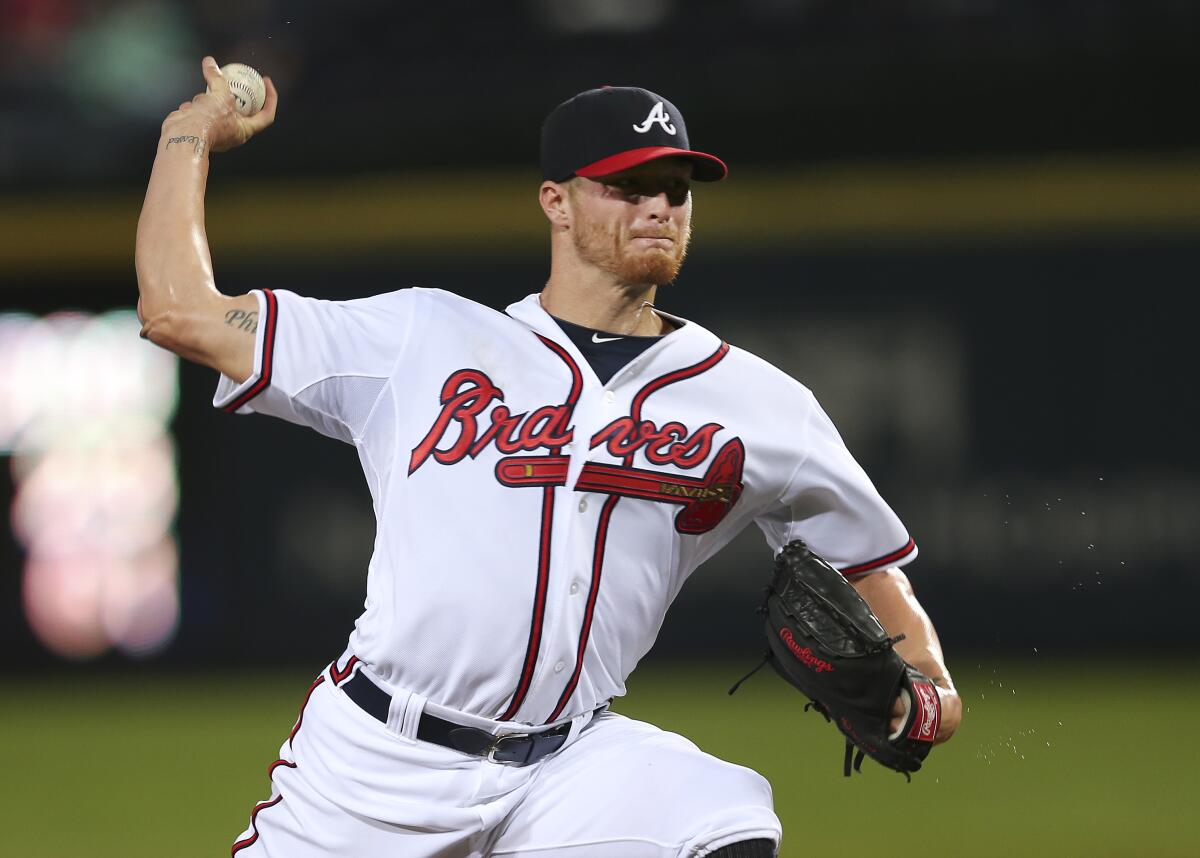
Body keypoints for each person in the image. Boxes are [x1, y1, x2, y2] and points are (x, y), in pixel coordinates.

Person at [136, 57, 962, 858]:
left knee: (720, 820)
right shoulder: (424, 338)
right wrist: (188, 135)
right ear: (556, 202)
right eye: (628, 186)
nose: (659, 208)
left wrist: (925, 699)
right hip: (379, 763)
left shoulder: (761, 405)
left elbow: (871, 571)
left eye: (676, 190)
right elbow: (178, 311)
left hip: (568, 766)